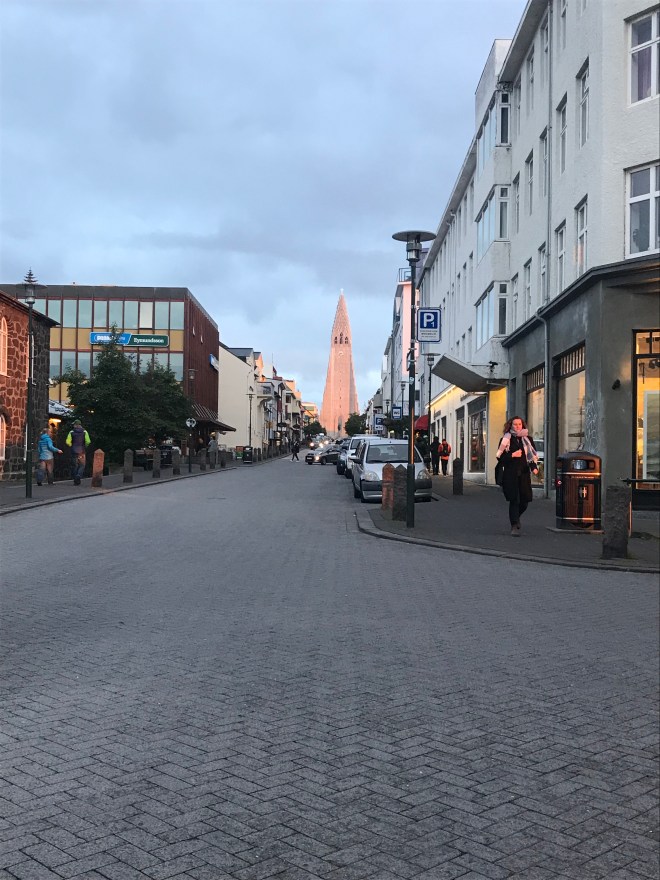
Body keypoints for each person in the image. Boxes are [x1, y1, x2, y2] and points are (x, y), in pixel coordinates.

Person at [495, 416, 539, 536]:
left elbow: (531, 456)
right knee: (514, 500)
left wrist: (534, 468)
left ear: (522, 425)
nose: (518, 426)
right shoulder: (506, 439)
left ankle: (516, 517)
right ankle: (514, 525)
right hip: (510, 475)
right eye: (515, 424)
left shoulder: (528, 439)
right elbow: (500, 458)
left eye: (520, 424)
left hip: (524, 474)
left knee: (525, 501)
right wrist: (512, 455)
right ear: (511, 425)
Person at [65, 419, 91, 485]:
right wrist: (85, 446)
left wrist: (71, 445)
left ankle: (75, 481)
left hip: (74, 451)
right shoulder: (85, 432)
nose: (73, 425)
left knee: (75, 466)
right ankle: (78, 475)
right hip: (82, 451)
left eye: (74, 424)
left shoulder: (71, 432)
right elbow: (88, 441)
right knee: (82, 465)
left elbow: (67, 442)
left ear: (76, 425)